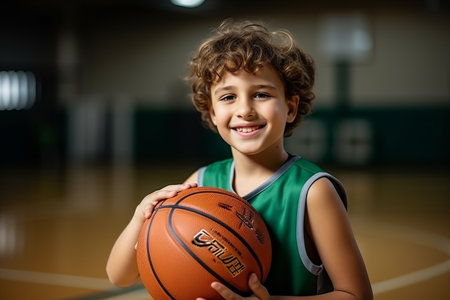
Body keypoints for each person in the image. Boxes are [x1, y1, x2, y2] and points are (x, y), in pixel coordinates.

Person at [106, 19, 373, 300]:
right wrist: (141, 216)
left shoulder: (312, 191)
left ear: (291, 107)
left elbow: (357, 295)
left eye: (260, 94)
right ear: (211, 112)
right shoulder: (200, 184)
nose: (244, 109)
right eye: (228, 97)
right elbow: (119, 276)